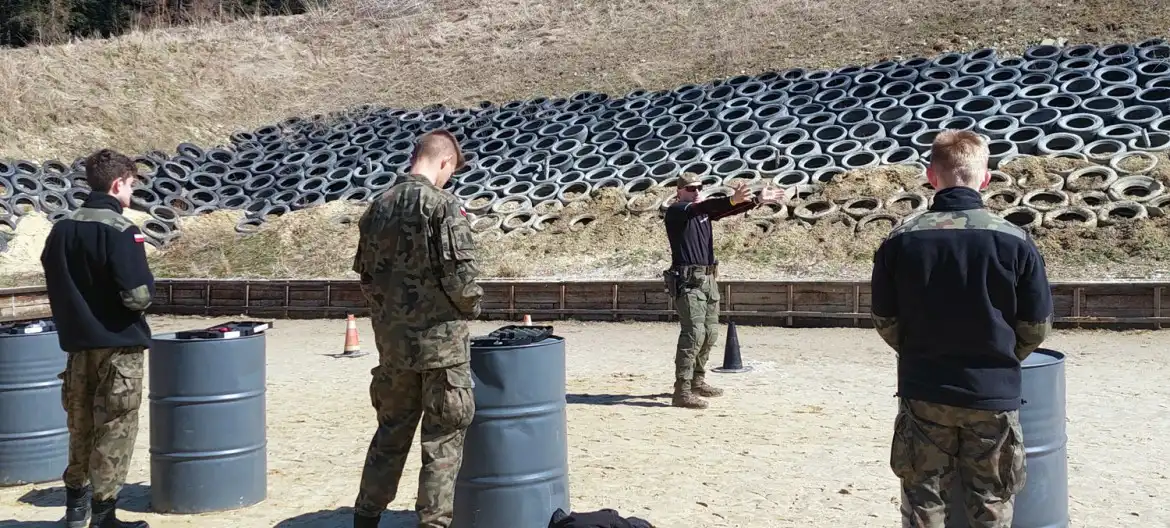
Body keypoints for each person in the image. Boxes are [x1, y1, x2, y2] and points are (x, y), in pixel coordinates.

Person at [869, 129, 1053, 528]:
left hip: (924, 389)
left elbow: (885, 320)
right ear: (985, 178)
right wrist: (1000, 358)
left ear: (931, 176)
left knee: (924, 504)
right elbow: (1036, 326)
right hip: (991, 394)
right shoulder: (1016, 240)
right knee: (991, 502)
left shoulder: (900, 241)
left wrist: (919, 352)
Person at [350, 129, 484, 528]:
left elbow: (367, 279)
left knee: (390, 434)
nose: (450, 179)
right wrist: (473, 307)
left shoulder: (376, 208)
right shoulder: (442, 206)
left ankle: (366, 517)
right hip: (441, 350)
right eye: (451, 171)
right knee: (442, 441)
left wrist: (389, 323)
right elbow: (462, 281)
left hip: (393, 348)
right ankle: (433, 523)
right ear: (443, 161)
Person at [40, 148, 155, 528]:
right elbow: (138, 295)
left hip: (77, 347)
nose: (131, 192)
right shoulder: (122, 231)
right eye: (131, 184)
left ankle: (75, 510)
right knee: (115, 428)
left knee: (80, 425)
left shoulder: (61, 229)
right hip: (119, 347)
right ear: (118, 182)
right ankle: (105, 516)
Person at [662, 173, 787, 409]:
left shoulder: (701, 212)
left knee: (710, 334)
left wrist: (757, 200)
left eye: (699, 187)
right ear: (679, 192)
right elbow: (711, 206)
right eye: (690, 188)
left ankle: (698, 381)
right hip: (688, 283)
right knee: (694, 334)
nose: (696, 191)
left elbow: (724, 211)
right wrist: (731, 199)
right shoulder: (677, 210)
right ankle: (682, 391)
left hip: (708, 279)